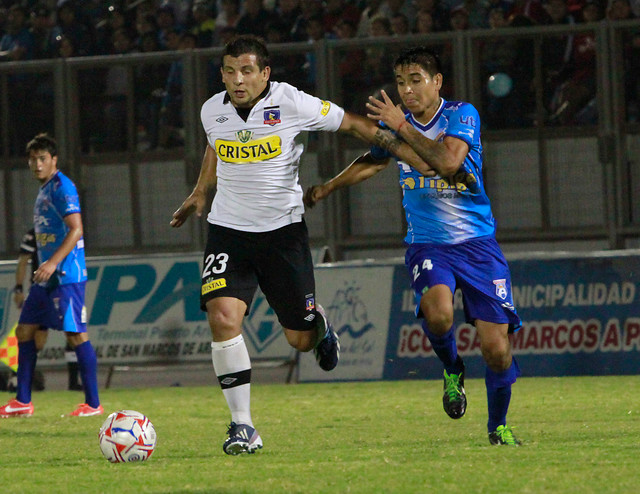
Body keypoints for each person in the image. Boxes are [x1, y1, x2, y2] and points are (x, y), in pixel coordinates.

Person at [170, 35, 431, 455]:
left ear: (265, 74)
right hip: (228, 231)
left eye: (247, 71)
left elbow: (352, 124)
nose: (238, 80)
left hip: (282, 233)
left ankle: (318, 326)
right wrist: (202, 190)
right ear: (221, 74)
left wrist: (401, 148)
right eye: (230, 72)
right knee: (222, 318)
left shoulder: (292, 102)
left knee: (299, 340)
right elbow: (216, 145)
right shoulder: (211, 110)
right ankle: (242, 426)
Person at [304, 46, 523, 446]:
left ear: (437, 82)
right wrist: (328, 187)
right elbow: (373, 160)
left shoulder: (461, 115)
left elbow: (446, 164)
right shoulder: (397, 126)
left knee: (497, 350)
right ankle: (452, 368)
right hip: (428, 245)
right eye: (401, 82)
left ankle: (498, 427)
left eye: (415, 81)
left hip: (478, 246)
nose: (407, 90)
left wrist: (401, 128)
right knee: (438, 316)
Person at [0, 133, 102, 418]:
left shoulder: (62, 187)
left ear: (54, 160)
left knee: (76, 335)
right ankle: (22, 401)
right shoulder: (45, 188)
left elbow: (76, 229)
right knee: (25, 331)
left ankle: (93, 404)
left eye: (42, 158)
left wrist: (53, 263)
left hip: (67, 275)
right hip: (47, 279)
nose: (36, 164)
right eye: (32, 159)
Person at [13, 228, 83, 392]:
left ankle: (75, 383)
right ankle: (18, 379)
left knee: (73, 333)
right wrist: (18, 288)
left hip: (65, 288)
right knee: (34, 339)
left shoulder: (69, 230)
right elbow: (23, 261)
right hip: (41, 290)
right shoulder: (33, 234)